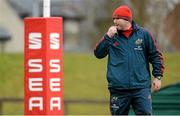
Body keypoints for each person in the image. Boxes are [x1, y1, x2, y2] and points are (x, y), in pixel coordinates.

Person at [94, 5, 164, 115]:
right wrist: (108, 36)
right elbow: (98, 54)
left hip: (141, 88)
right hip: (118, 89)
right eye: (114, 19)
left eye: (117, 18)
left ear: (126, 19)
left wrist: (158, 76)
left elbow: (155, 56)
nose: (114, 21)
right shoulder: (111, 36)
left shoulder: (144, 34)